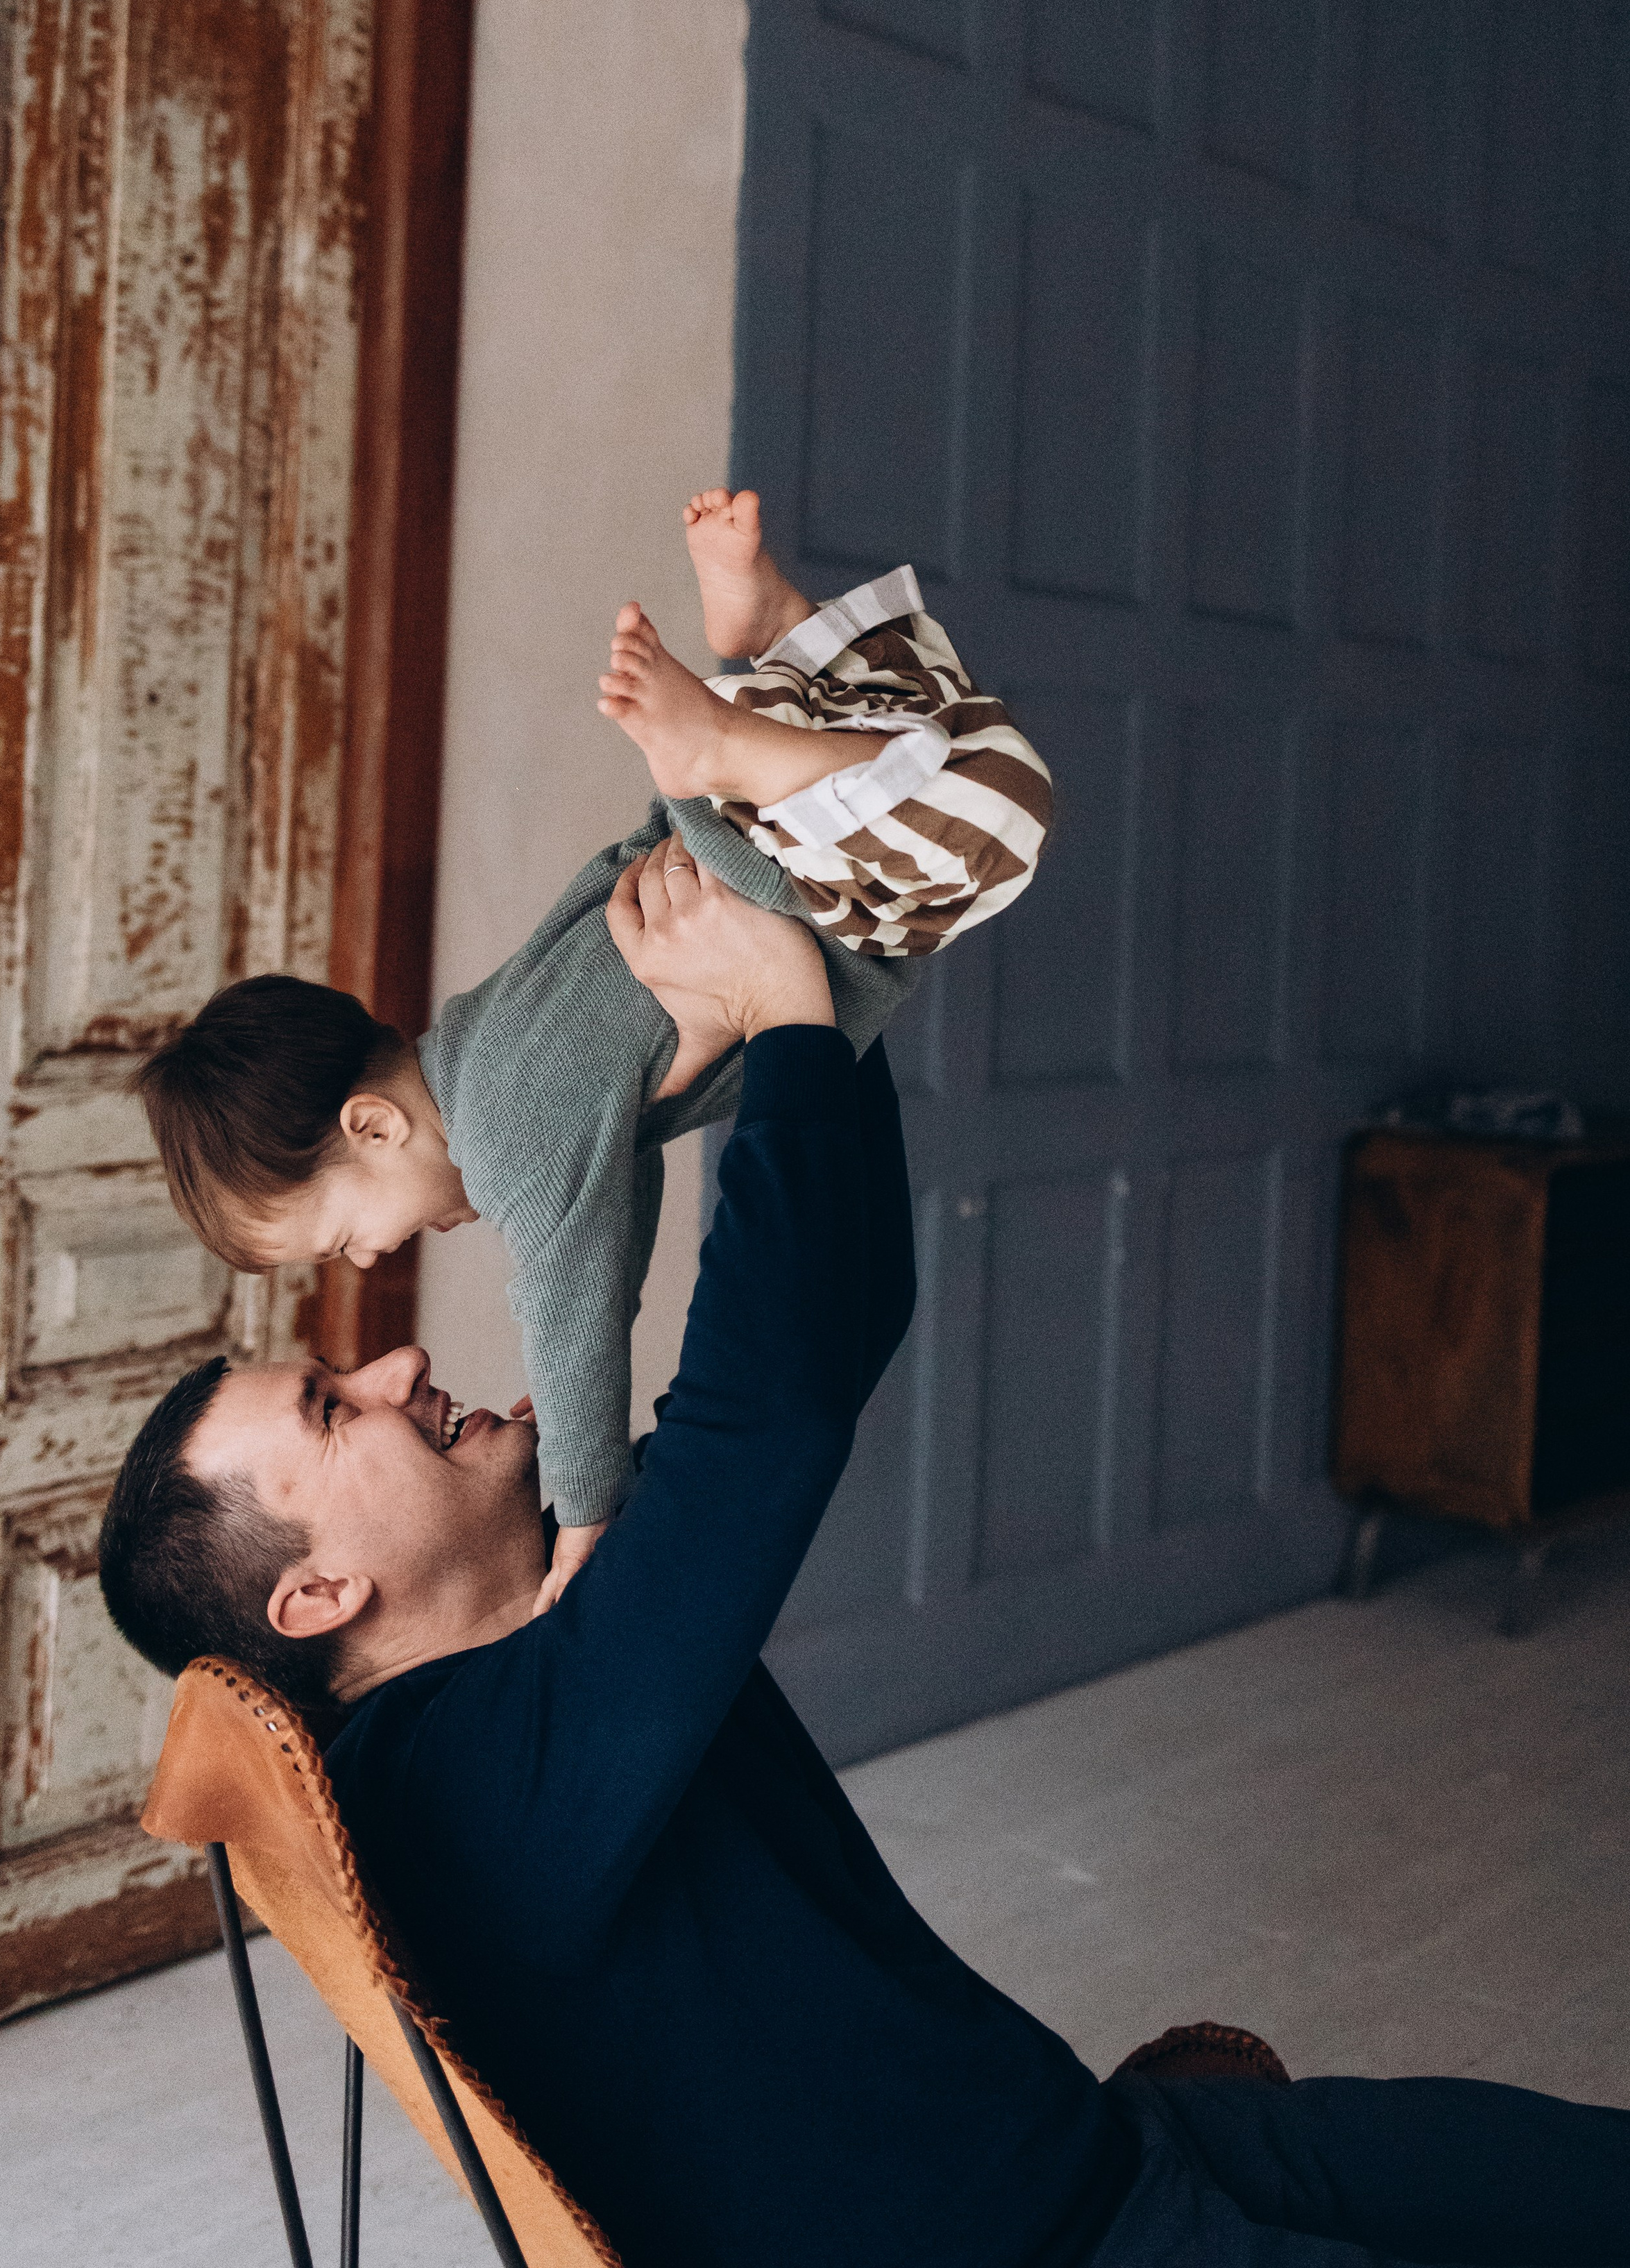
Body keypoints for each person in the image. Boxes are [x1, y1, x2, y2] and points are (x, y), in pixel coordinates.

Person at [99, 852, 1630, 2268]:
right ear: (314, 1598)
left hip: (1096, 2154)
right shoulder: (470, 1776)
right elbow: (767, 1398)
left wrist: (802, 1006)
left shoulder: (537, 1648)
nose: (395, 1360)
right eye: (327, 1406)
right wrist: (785, 1007)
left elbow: (830, 1317)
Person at [134, 489, 1050, 1609]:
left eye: (340, 1236)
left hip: (797, 873)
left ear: (371, 1126)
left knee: (1003, 818)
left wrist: (583, 1511)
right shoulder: (481, 1032)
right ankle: (762, 630)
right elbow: (618, 1174)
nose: (371, 1259)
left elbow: (575, 1302)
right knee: (915, 711)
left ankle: (728, 739)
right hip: (775, 806)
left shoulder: (510, 1134)